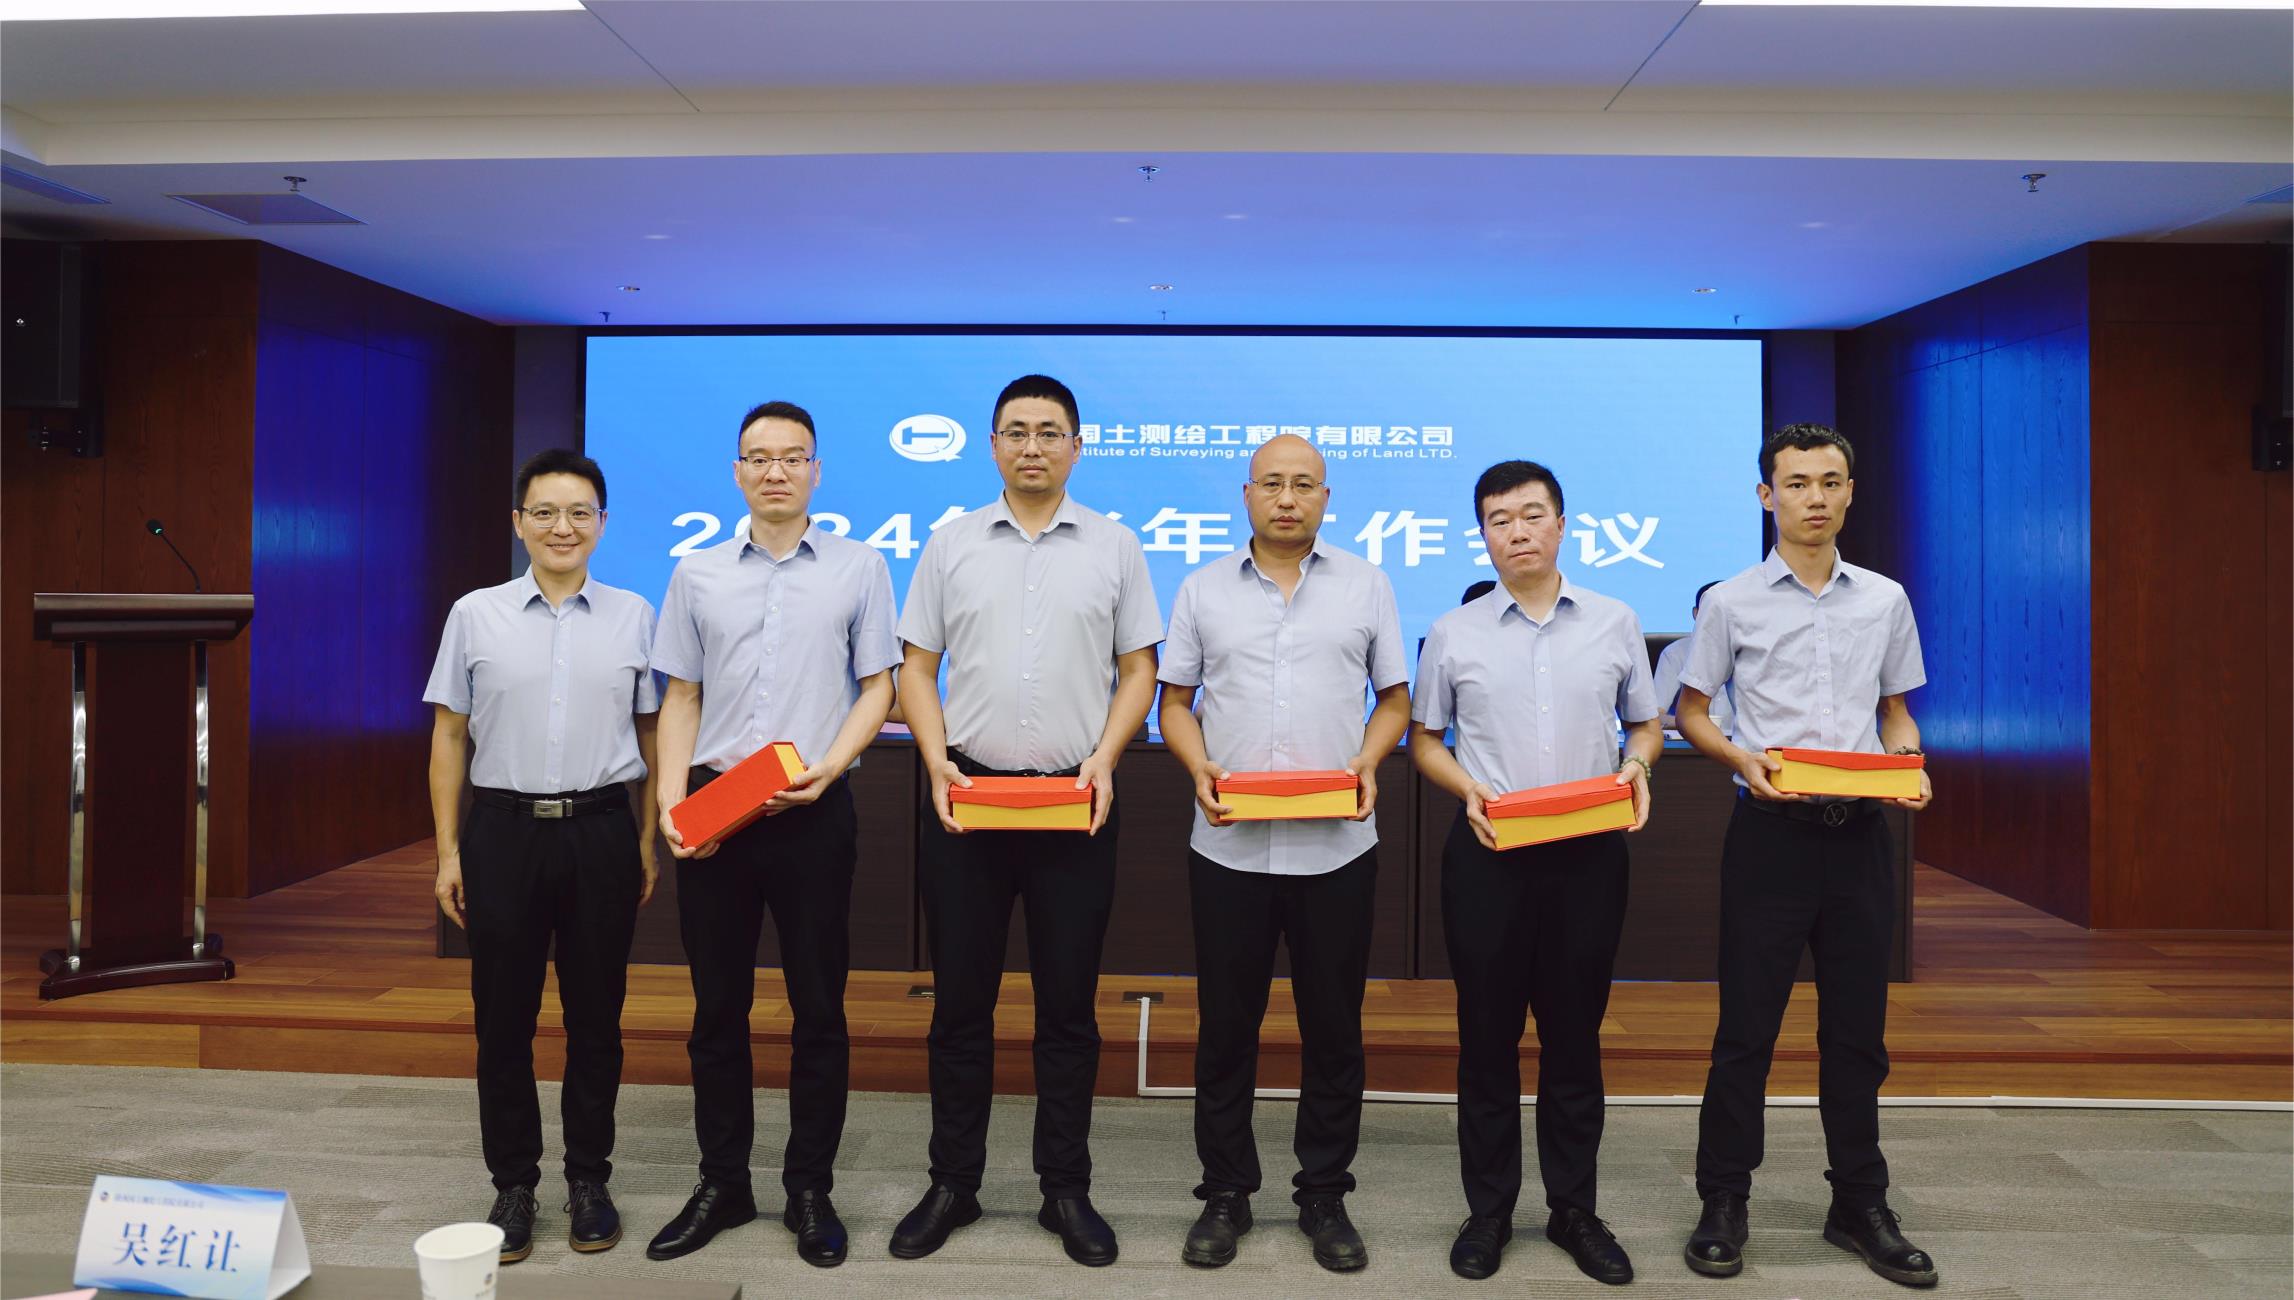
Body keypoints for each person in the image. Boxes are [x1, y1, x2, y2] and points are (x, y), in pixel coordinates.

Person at [890, 374, 1162, 1267]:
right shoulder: (951, 544)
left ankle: (1065, 1190)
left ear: (1077, 447)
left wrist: (1107, 757)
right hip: (967, 800)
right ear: (993, 445)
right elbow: (916, 666)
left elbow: (1139, 669)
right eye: (1016, 431)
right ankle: (952, 1183)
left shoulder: (1115, 546)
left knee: (1068, 1010)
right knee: (960, 1007)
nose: (1032, 445)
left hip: (1073, 803)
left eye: (1050, 431)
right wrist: (935, 757)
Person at [1675, 423, 1936, 1288]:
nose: (1814, 498)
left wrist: (1907, 761)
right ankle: (1723, 1199)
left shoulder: (1885, 599)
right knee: (1746, 1031)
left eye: (1829, 482)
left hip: (1859, 838)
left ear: (1850, 492)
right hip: (1770, 838)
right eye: (1796, 484)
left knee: (1858, 1035)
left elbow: (1895, 713)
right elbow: (1692, 710)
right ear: (1767, 496)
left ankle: (1859, 1203)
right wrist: (1739, 757)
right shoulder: (1732, 601)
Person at [642, 401, 898, 1268]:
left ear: (816, 471)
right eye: (759, 457)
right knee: (717, 1010)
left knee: (819, 1010)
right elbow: (680, 696)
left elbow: (878, 686)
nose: (776, 470)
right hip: (716, 811)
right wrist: (672, 805)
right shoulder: (697, 574)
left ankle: (809, 1189)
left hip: (813, 812)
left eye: (793, 457)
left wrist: (831, 766)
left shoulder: (860, 566)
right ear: (738, 471)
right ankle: (722, 1183)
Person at [1157, 435, 1411, 1273]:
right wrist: (1198, 765)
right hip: (1229, 845)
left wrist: (1368, 759)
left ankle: (1324, 1194)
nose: (1288, 498)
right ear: (1248, 493)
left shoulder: (1367, 585)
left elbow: (1394, 698)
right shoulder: (1202, 588)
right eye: (1273, 483)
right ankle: (1225, 1193)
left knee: (1333, 1028)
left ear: (1326, 497)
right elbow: (1175, 703)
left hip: (1336, 846)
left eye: (1304, 484)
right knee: (1226, 1029)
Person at [1409, 459, 1661, 1286]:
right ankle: (1488, 1212)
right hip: (1490, 854)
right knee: (1486, 1038)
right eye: (1498, 520)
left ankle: (1574, 1210)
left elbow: (1645, 724)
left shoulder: (1615, 621)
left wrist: (1637, 766)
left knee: (1574, 1038)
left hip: (1589, 855)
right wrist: (1466, 789)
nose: (1516, 532)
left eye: (1530, 515)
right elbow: (1424, 740)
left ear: (1561, 523)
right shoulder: (1454, 631)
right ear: (1482, 535)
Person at [425, 448, 660, 1264]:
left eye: (580, 512)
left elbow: (651, 734)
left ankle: (589, 1180)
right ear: (519, 522)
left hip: (600, 831)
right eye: (546, 512)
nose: (564, 527)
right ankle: (513, 1184)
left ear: (602, 523)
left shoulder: (635, 615)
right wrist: (448, 851)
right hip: (502, 833)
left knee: (597, 1019)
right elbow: (449, 736)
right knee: (503, 1021)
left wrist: (646, 838)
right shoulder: (475, 614)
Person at [1654, 581, 1736, 735]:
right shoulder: (1675, 653)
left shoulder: (1752, 651)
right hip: (1691, 741)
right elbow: (1655, 717)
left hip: (1742, 742)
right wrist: (1696, 724)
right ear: (1696, 613)